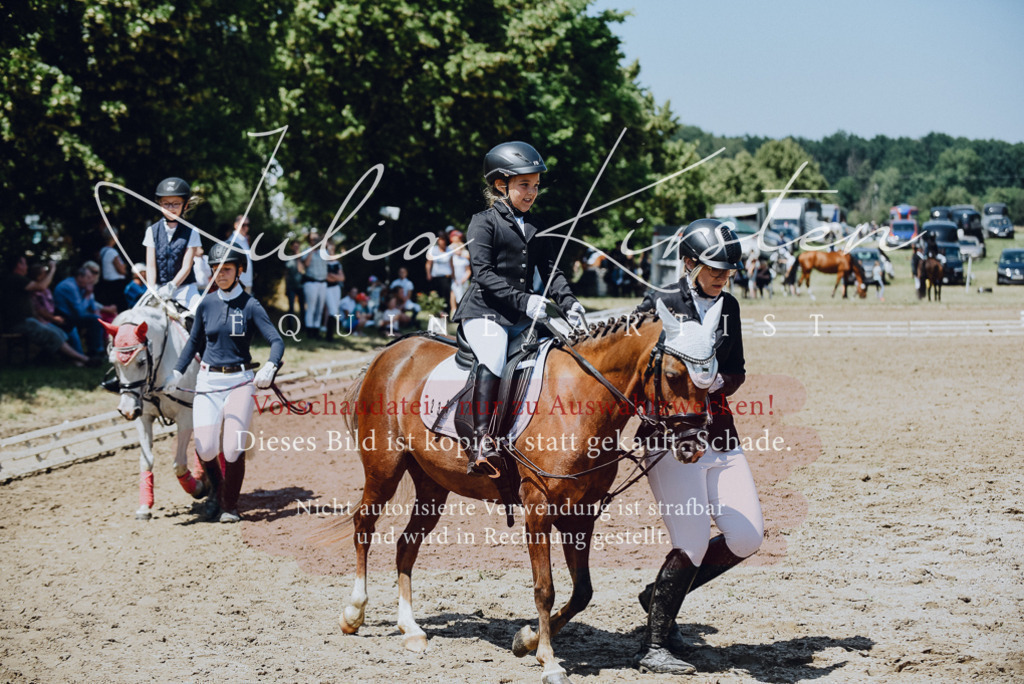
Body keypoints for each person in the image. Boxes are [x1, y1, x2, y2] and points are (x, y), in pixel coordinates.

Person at [630, 218, 764, 675]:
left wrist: (713, 383)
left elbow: (738, 370)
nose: (723, 277)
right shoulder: (659, 303)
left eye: (728, 270)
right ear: (688, 263)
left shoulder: (729, 306)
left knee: (747, 537)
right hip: (670, 438)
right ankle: (654, 645)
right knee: (690, 543)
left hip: (719, 433)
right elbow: (636, 372)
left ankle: (662, 594)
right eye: (714, 269)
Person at [451, 141, 586, 477]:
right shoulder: (483, 222)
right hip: (484, 313)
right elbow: (482, 274)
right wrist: (525, 300)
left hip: (522, 317)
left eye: (535, 186)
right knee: (494, 357)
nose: (532, 192)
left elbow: (553, 274)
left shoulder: (539, 227)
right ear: (501, 184)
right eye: (524, 185)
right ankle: (482, 440)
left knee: (562, 353)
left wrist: (571, 303)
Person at [166, 243, 284, 523]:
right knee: (206, 447)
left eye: (227, 269)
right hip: (208, 380)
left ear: (239, 271)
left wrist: (271, 365)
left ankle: (230, 506)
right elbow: (194, 342)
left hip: (240, 381)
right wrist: (176, 372)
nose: (220, 274)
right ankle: (218, 492)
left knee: (232, 448)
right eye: (216, 269)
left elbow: (276, 340)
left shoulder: (251, 305)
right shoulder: (206, 303)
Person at [1, 255, 93, 367]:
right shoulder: (15, 278)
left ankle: (75, 360)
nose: (26, 267)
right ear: (18, 265)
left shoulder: (18, 280)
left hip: (28, 321)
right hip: (18, 323)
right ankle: (84, 359)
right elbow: (41, 287)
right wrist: (53, 269)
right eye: (24, 263)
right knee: (52, 333)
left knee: (59, 332)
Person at [144, 177, 202, 313]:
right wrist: (151, 289)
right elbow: (151, 266)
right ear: (160, 204)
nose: (171, 208)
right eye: (166, 204)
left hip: (184, 289)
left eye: (176, 204)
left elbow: (187, 266)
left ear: (185, 205)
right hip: (158, 287)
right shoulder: (151, 231)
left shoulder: (192, 232)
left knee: (201, 315)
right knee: (136, 316)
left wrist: (172, 286)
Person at [53, 262, 116, 357]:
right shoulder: (69, 287)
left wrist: (90, 296)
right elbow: (80, 311)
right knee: (94, 321)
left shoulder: (83, 286)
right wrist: (88, 295)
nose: (91, 281)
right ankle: (95, 352)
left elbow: (93, 307)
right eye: (88, 278)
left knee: (97, 319)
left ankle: (99, 351)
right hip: (64, 317)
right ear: (80, 277)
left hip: (73, 316)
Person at [302, 229, 328, 338]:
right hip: (311, 282)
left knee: (320, 308)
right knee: (311, 307)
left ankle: (316, 329)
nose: (315, 241)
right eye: (313, 239)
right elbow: (306, 264)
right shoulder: (307, 251)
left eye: (316, 239)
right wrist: (312, 250)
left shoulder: (323, 251)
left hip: (322, 282)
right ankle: (310, 330)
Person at [97, 227, 128, 311]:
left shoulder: (102, 251)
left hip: (106, 284)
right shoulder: (112, 252)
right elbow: (122, 270)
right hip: (116, 285)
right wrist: (124, 267)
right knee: (121, 308)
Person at [425, 231, 453, 312]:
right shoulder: (433, 250)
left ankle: (446, 315)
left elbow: (451, 265)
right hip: (436, 277)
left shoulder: (449, 250)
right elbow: (428, 263)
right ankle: (435, 313)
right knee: (435, 296)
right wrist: (428, 273)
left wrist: (453, 276)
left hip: (446, 277)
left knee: (446, 297)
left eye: (443, 239)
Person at [323, 239, 346, 338]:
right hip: (327, 288)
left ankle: (330, 333)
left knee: (335, 310)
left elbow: (342, 278)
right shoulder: (324, 262)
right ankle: (329, 335)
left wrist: (332, 276)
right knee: (331, 309)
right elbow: (325, 277)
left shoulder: (337, 263)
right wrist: (335, 276)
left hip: (336, 288)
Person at [229, 215, 254, 292]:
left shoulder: (244, 239)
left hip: (247, 282)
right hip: (238, 283)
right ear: (236, 225)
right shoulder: (233, 240)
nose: (246, 227)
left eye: (247, 225)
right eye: (243, 225)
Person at [449, 229, 471, 312]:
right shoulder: (450, 248)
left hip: (463, 276)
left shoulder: (462, 246)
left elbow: (468, 256)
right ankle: (453, 309)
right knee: (453, 292)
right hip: (454, 277)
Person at [284, 239, 305, 319]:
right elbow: (286, 273)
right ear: (291, 247)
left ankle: (303, 326)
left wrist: (298, 258)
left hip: (301, 286)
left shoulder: (302, 258)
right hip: (291, 286)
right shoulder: (288, 258)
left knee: (302, 307)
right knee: (291, 307)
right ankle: (290, 327)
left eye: (297, 246)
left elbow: (301, 270)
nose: (296, 248)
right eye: (294, 246)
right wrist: (286, 287)